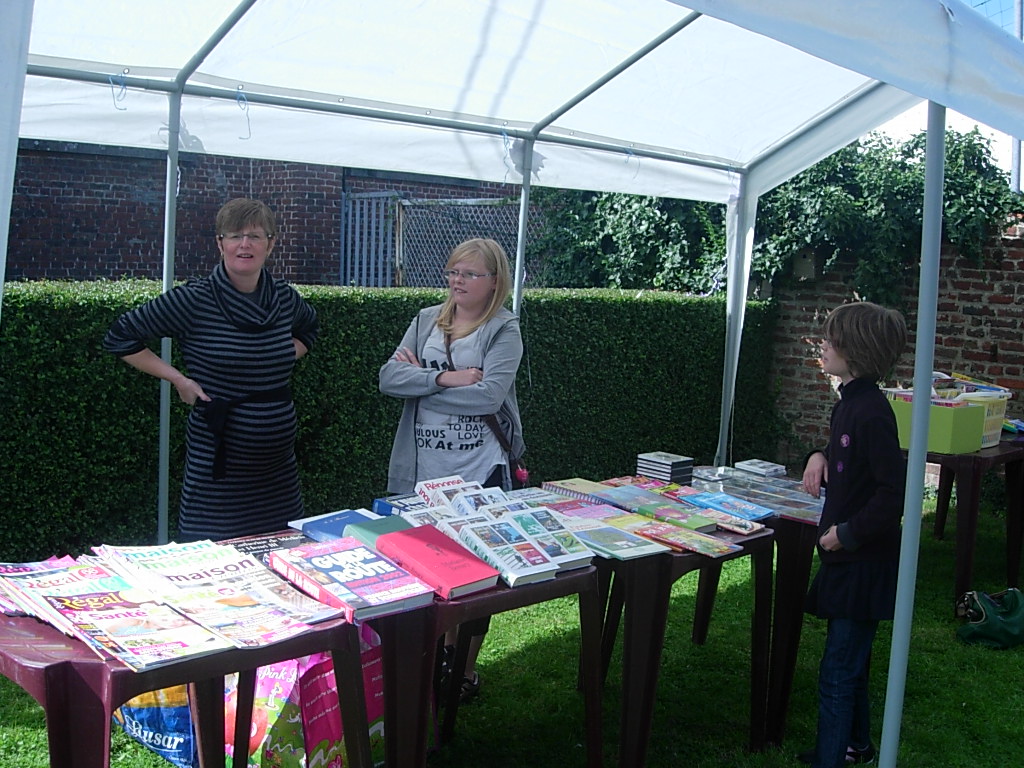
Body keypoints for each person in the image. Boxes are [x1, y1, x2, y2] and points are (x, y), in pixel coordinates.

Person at [103, 198, 319, 542]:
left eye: (255, 236)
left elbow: (309, 330)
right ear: (220, 243)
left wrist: (276, 355)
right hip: (218, 470)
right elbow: (121, 336)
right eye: (235, 236)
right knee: (214, 554)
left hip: (279, 471)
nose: (244, 245)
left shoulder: (284, 298)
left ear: (270, 244)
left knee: (280, 552)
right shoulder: (194, 299)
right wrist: (178, 379)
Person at [378, 237, 525, 702]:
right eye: (453, 272)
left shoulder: (503, 330)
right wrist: (447, 377)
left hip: (479, 473)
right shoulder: (426, 319)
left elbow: (489, 396)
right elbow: (388, 378)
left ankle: (463, 669)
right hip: (422, 473)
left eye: (469, 274)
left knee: (477, 575)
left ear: (494, 281)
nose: (457, 281)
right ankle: (434, 660)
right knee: (425, 570)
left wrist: (421, 384)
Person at [799, 301, 908, 768]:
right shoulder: (848, 403)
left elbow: (892, 491)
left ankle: (831, 758)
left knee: (838, 673)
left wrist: (846, 534)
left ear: (856, 351)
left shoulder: (871, 412)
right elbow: (845, 453)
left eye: (832, 340)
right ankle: (858, 745)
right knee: (852, 663)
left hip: (863, 562)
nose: (823, 345)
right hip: (846, 559)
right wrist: (818, 455)